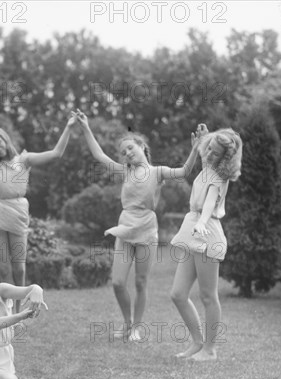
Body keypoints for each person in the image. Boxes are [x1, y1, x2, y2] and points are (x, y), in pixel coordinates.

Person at [74, 109, 204, 341]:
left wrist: (195, 148)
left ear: (142, 147)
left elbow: (185, 171)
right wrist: (85, 127)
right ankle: (127, 323)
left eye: (130, 148)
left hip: (147, 229)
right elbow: (99, 155)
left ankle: (136, 328)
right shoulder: (124, 172)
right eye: (123, 152)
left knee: (141, 282)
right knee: (117, 282)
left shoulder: (157, 172)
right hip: (125, 226)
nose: (126, 154)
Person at [0, 110, 76, 301]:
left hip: (18, 213)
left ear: (5, 140)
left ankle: (19, 312)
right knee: (4, 268)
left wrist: (69, 127)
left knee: (19, 268)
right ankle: (8, 311)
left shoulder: (24, 159)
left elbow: (56, 154)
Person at [169, 128, 243, 361]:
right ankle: (198, 342)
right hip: (193, 230)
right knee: (178, 294)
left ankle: (209, 350)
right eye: (209, 148)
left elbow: (210, 204)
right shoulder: (207, 166)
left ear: (224, 158)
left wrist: (201, 222)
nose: (208, 153)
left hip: (207, 232)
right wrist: (204, 139)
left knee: (208, 295)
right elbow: (204, 153)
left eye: (214, 151)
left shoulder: (218, 178)